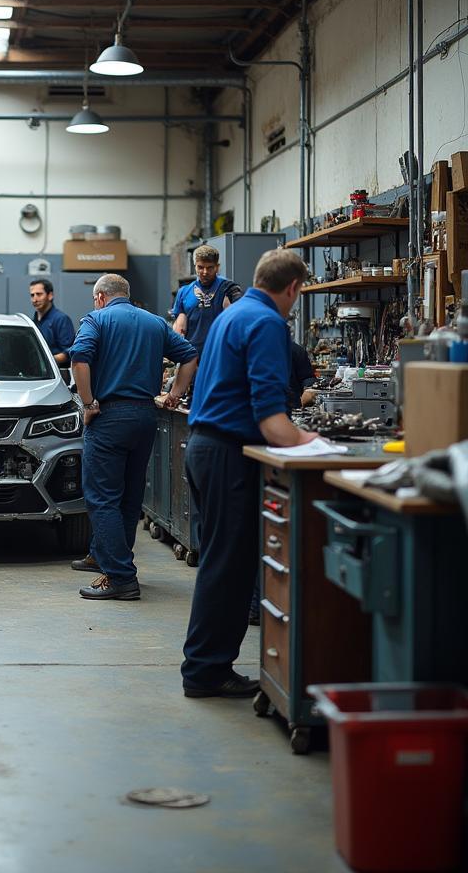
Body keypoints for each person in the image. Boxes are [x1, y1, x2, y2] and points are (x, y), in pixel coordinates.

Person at [181, 249, 319, 699]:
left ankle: (207, 666)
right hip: (228, 454)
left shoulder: (231, 313)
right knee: (228, 568)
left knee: (223, 564)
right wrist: (318, 444)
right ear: (293, 288)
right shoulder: (267, 323)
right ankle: (205, 672)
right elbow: (273, 424)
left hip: (206, 447)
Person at [68, 273, 198, 600]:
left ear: (100, 297)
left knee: (101, 496)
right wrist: (174, 393)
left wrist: (88, 403)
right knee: (128, 496)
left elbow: (79, 358)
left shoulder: (96, 320)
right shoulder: (154, 322)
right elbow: (190, 354)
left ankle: (120, 577)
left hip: (110, 416)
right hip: (144, 416)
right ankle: (105, 555)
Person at [172, 244, 242, 356]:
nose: (205, 272)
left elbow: (240, 316)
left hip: (220, 353)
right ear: (195, 266)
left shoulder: (228, 288)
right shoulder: (184, 292)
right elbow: (179, 327)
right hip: (192, 356)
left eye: (210, 268)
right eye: (200, 267)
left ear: (217, 267)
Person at [30, 278, 75, 365]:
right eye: (32, 295)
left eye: (39, 294)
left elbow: (69, 352)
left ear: (50, 295)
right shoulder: (32, 322)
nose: (35, 299)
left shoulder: (61, 319)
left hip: (57, 373)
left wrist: (46, 362)